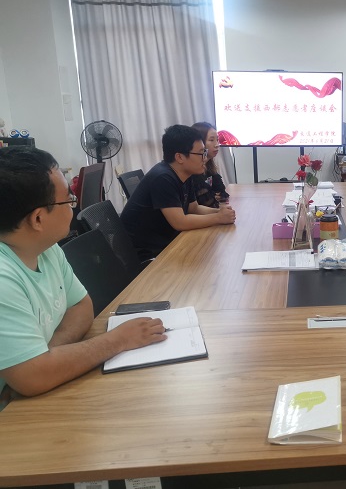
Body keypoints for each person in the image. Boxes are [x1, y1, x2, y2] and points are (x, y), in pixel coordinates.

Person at [0, 147, 167, 406]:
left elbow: (81, 306)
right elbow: (33, 378)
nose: (73, 207)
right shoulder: (4, 279)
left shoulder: (46, 249)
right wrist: (118, 340)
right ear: (38, 219)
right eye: (68, 201)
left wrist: (48, 355)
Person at [121, 124, 236, 260]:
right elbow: (180, 222)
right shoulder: (163, 178)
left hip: (166, 242)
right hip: (146, 255)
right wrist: (219, 218)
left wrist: (219, 212)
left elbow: (194, 208)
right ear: (180, 157)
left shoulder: (185, 174)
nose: (204, 158)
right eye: (201, 153)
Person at [191, 121, 230, 207]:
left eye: (217, 140)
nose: (217, 145)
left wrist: (215, 195)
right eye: (211, 140)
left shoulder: (209, 165)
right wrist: (212, 196)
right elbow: (201, 201)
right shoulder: (193, 170)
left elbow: (220, 189)